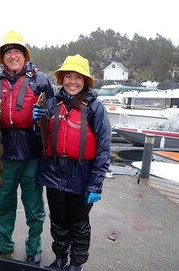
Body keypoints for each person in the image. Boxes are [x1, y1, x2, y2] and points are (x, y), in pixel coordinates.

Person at [0, 31, 55, 264]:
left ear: (24, 55)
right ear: (2, 57)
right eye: (7, 52)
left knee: (34, 204)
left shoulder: (40, 79)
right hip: (2, 150)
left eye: (17, 51)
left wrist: (45, 114)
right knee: (2, 201)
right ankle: (3, 243)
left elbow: (53, 111)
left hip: (33, 150)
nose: (12, 56)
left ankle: (34, 246)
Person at [33, 54, 111, 270]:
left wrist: (96, 183)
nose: (73, 81)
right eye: (68, 76)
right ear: (62, 79)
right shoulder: (51, 103)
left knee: (78, 222)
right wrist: (36, 121)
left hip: (82, 174)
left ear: (85, 80)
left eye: (78, 77)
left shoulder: (95, 108)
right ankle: (60, 257)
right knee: (58, 219)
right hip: (54, 171)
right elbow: (41, 139)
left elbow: (104, 148)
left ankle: (77, 263)